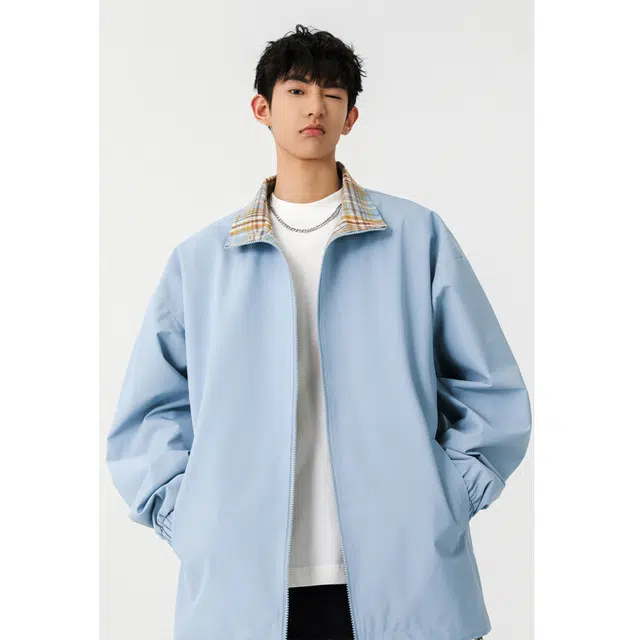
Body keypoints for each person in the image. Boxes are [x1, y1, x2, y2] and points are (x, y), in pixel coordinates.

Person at [106, 24, 529, 640]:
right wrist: (190, 520)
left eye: (332, 95)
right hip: (243, 585)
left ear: (350, 117)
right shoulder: (201, 261)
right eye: (297, 90)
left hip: (406, 573)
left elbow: (488, 385)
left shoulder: (416, 238)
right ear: (262, 108)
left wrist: (446, 498)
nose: (315, 108)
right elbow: (148, 414)